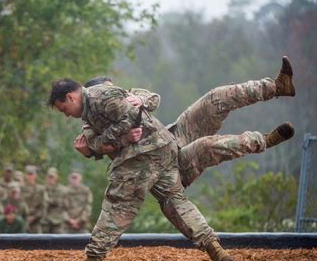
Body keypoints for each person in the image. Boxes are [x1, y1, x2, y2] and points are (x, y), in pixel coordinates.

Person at [49, 78, 234, 261]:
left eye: (63, 109)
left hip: (142, 154)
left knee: (117, 206)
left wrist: (111, 140)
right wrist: (97, 145)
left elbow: (130, 118)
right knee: (175, 203)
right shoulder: (88, 114)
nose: (66, 115)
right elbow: (93, 143)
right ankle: (216, 250)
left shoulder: (100, 96)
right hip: (162, 150)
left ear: (71, 97)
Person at [80, 57, 295, 188]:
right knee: (208, 145)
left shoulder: (126, 95)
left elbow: (154, 98)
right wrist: (95, 147)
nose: (116, 93)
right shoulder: (91, 125)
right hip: (170, 165)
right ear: (99, 97)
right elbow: (96, 146)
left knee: (216, 97)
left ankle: (276, 87)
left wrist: (141, 99)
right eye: (109, 90)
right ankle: (263, 141)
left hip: (174, 134)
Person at [22, 165, 47, 233]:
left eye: (32, 174)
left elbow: (43, 207)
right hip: (22, 222)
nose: (30, 176)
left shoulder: (41, 189)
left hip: (36, 222)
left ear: (35, 175)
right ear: (25, 175)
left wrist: (35, 217)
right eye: (28, 174)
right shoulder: (20, 188)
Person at [42, 167, 68, 234]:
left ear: (56, 177)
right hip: (44, 222)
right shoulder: (42, 189)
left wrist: (48, 200)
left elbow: (60, 202)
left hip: (57, 222)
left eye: (52, 177)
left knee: (59, 242)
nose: (50, 179)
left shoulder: (62, 189)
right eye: (49, 177)